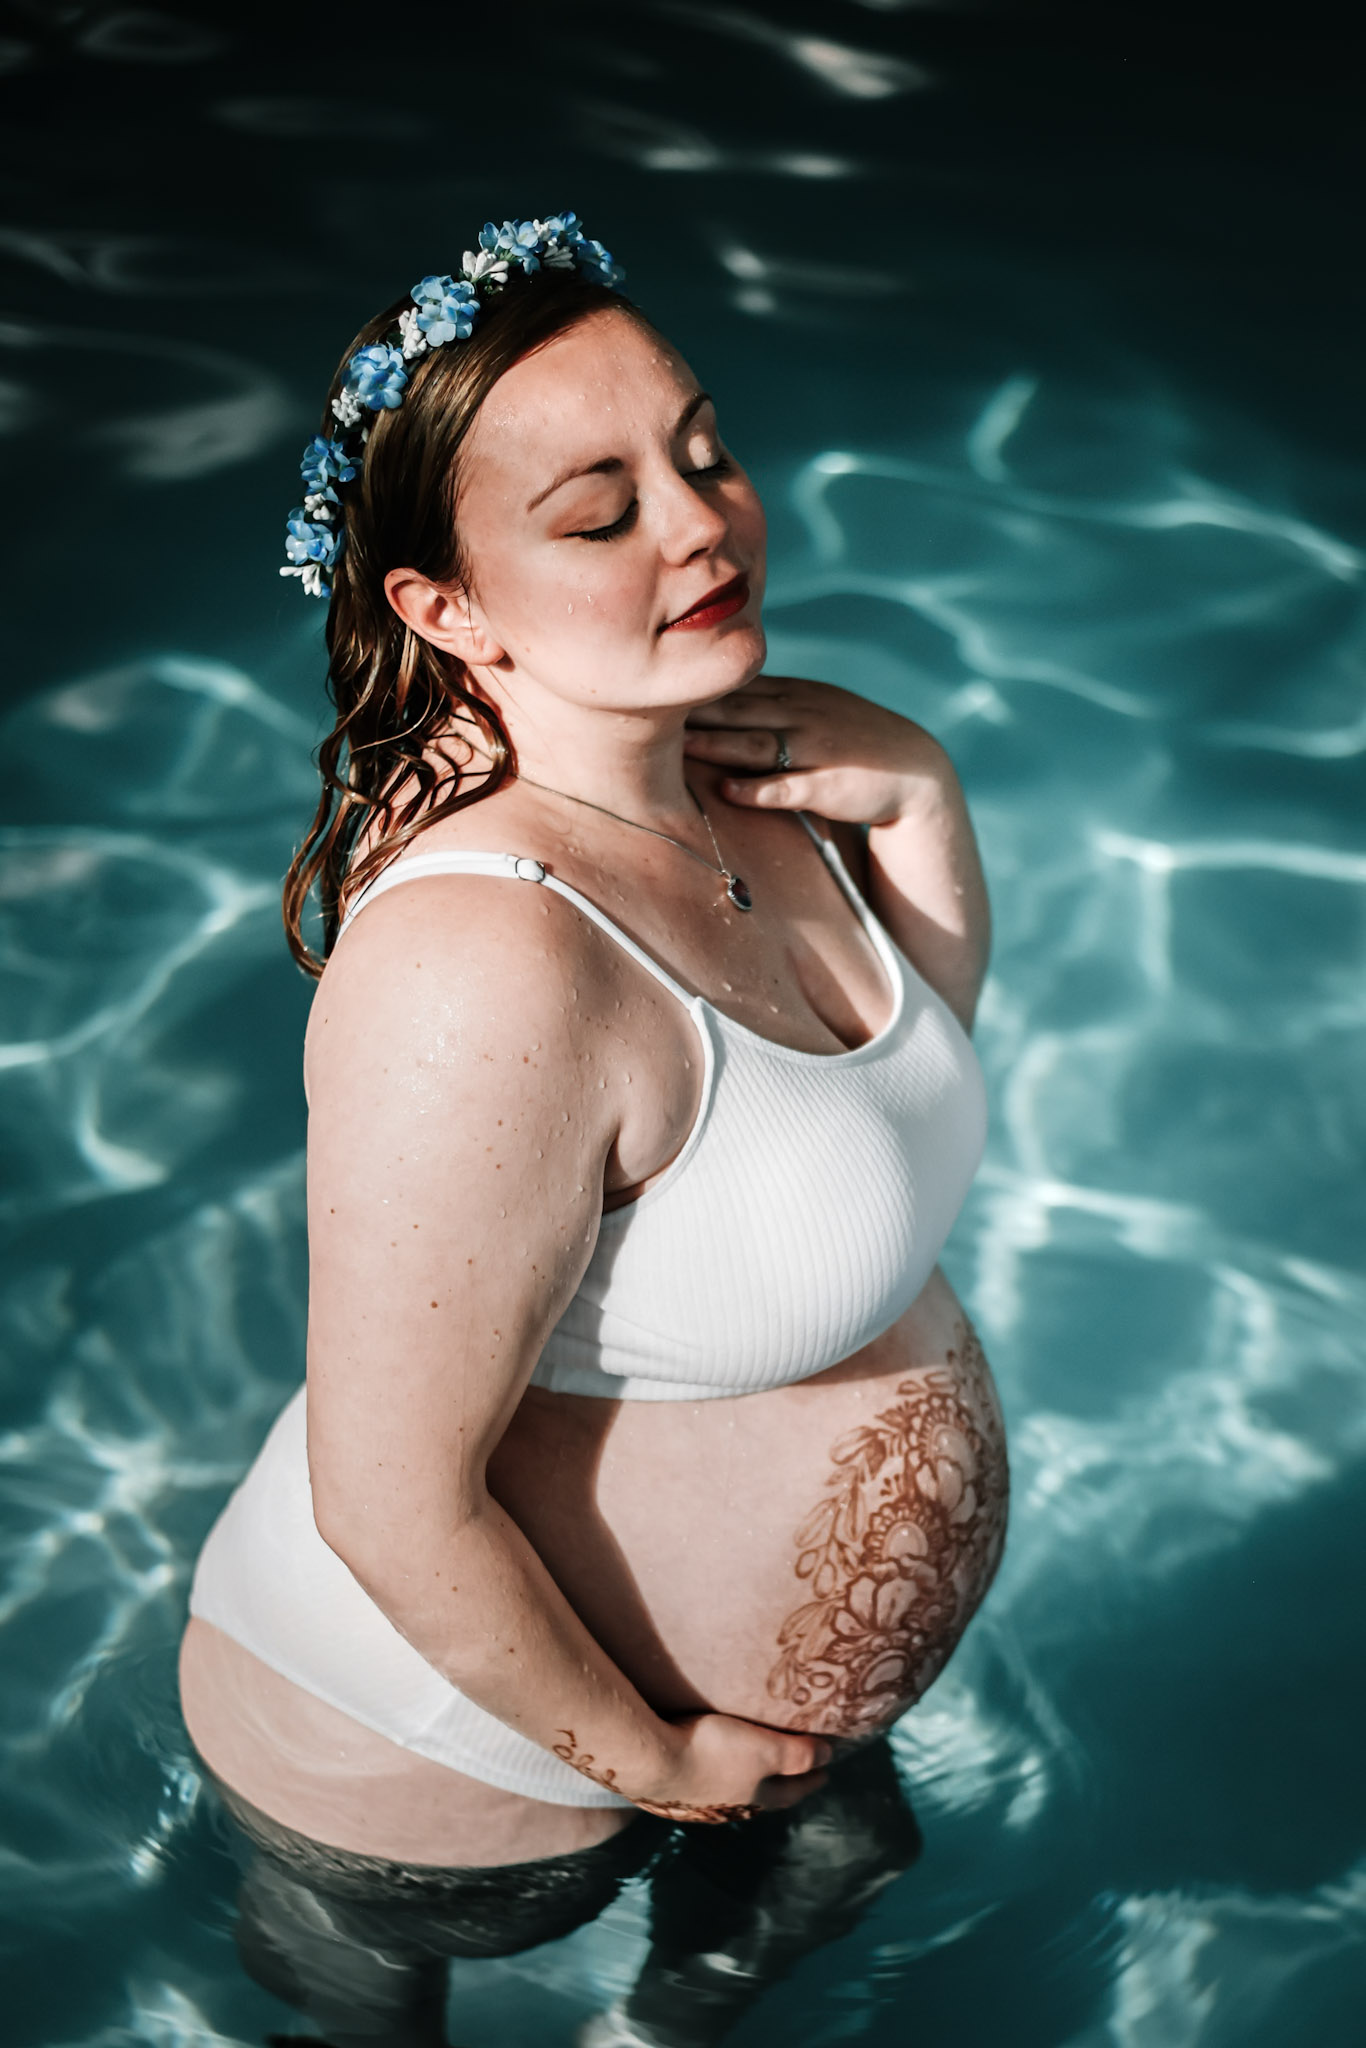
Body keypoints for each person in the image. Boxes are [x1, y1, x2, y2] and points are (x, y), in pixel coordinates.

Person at [176, 213, 1008, 2037]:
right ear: (445, 609)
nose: (701, 524)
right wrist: (651, 1751)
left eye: (700, 450)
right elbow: (388, 1498)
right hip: (438, 1772)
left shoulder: (776, 791)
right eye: (597, 511)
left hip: (701, 1738)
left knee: (843, 1862)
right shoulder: (490, 966)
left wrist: (925, 803)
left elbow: (894, 1110)